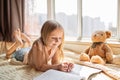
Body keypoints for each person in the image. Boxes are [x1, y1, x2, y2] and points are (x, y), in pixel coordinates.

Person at [7, 20, 74, 72]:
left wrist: (64, 66)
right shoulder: (38, 45)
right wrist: (57, 67)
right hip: (23, 55)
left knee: (29, 47)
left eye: (60, 38)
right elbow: (40, 67)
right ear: (44, 35)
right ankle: (19, 43)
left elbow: (55, 63)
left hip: (31, 51)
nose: (57, 41)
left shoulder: (55, 45)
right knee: (9, 54)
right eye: (53, 38)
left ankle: (27, 40)